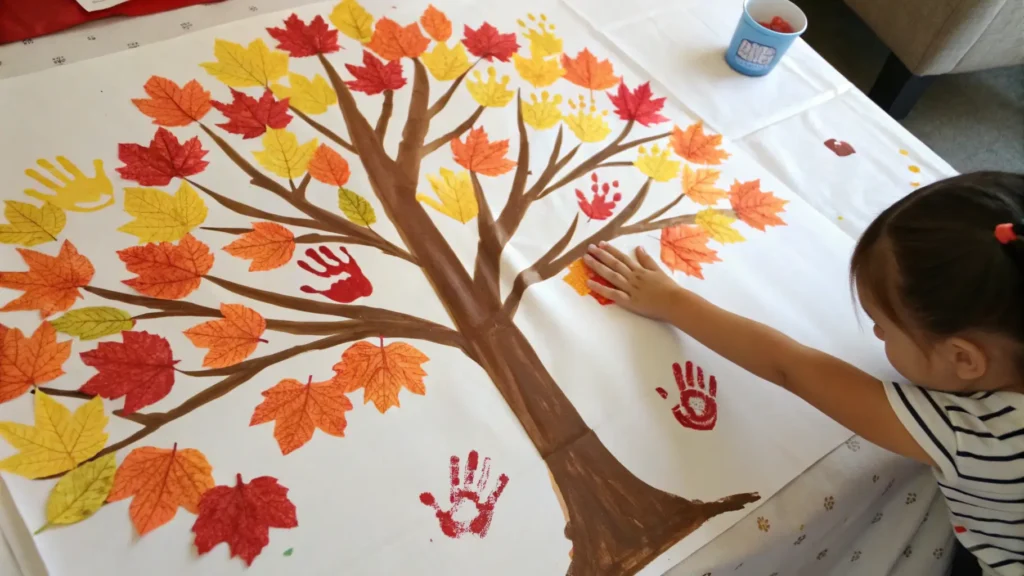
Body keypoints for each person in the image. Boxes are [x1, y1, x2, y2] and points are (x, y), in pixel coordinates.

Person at [584, 172, 1024, 576]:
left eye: (885, 328)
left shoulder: (976, 435)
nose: (874, 333)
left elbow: (789, 366)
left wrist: (671, 301)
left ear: (965, 360)